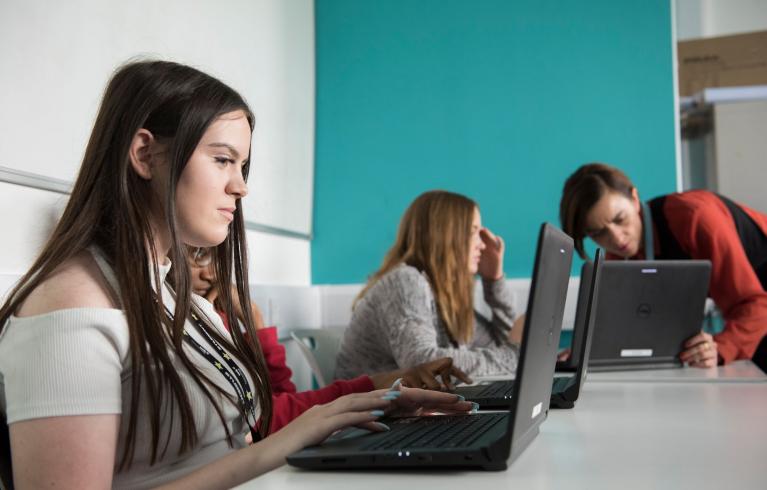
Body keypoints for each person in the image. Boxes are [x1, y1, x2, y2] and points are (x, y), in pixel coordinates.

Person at [0, 60, 473, 489]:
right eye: (223, 160)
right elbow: (251, 447)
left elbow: (242, 431)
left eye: (242, 165)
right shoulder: (71, 310)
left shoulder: (176, 298)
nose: (241, 186)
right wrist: (284, 444)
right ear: (144, 155)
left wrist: (348, 408)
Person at [187, 247, 473, 433]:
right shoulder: (188, 324)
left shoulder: (215, 312)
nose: (212, 272)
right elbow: (266, 421)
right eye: (198, 256)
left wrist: (255, 320)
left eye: (212, 257)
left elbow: (278, 398)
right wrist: (374, 388)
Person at [559, 162, 767, 372]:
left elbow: (755, 304)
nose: (616, 238)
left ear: (634, 199)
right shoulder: (620, 253)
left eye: (620, 219)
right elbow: (625, 320)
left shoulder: (696, 217)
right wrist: (585, 351)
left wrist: (720, 347)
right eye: (598, 233)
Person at [335, 190, 523, 379]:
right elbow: (423, 363)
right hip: (372, 407)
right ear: (445, 236)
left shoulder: (444, 293)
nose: (482, 245)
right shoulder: (404, 281)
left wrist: (494, 281)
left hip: (410, 404)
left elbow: (500, 345)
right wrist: (513, 356)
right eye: (473, 232)